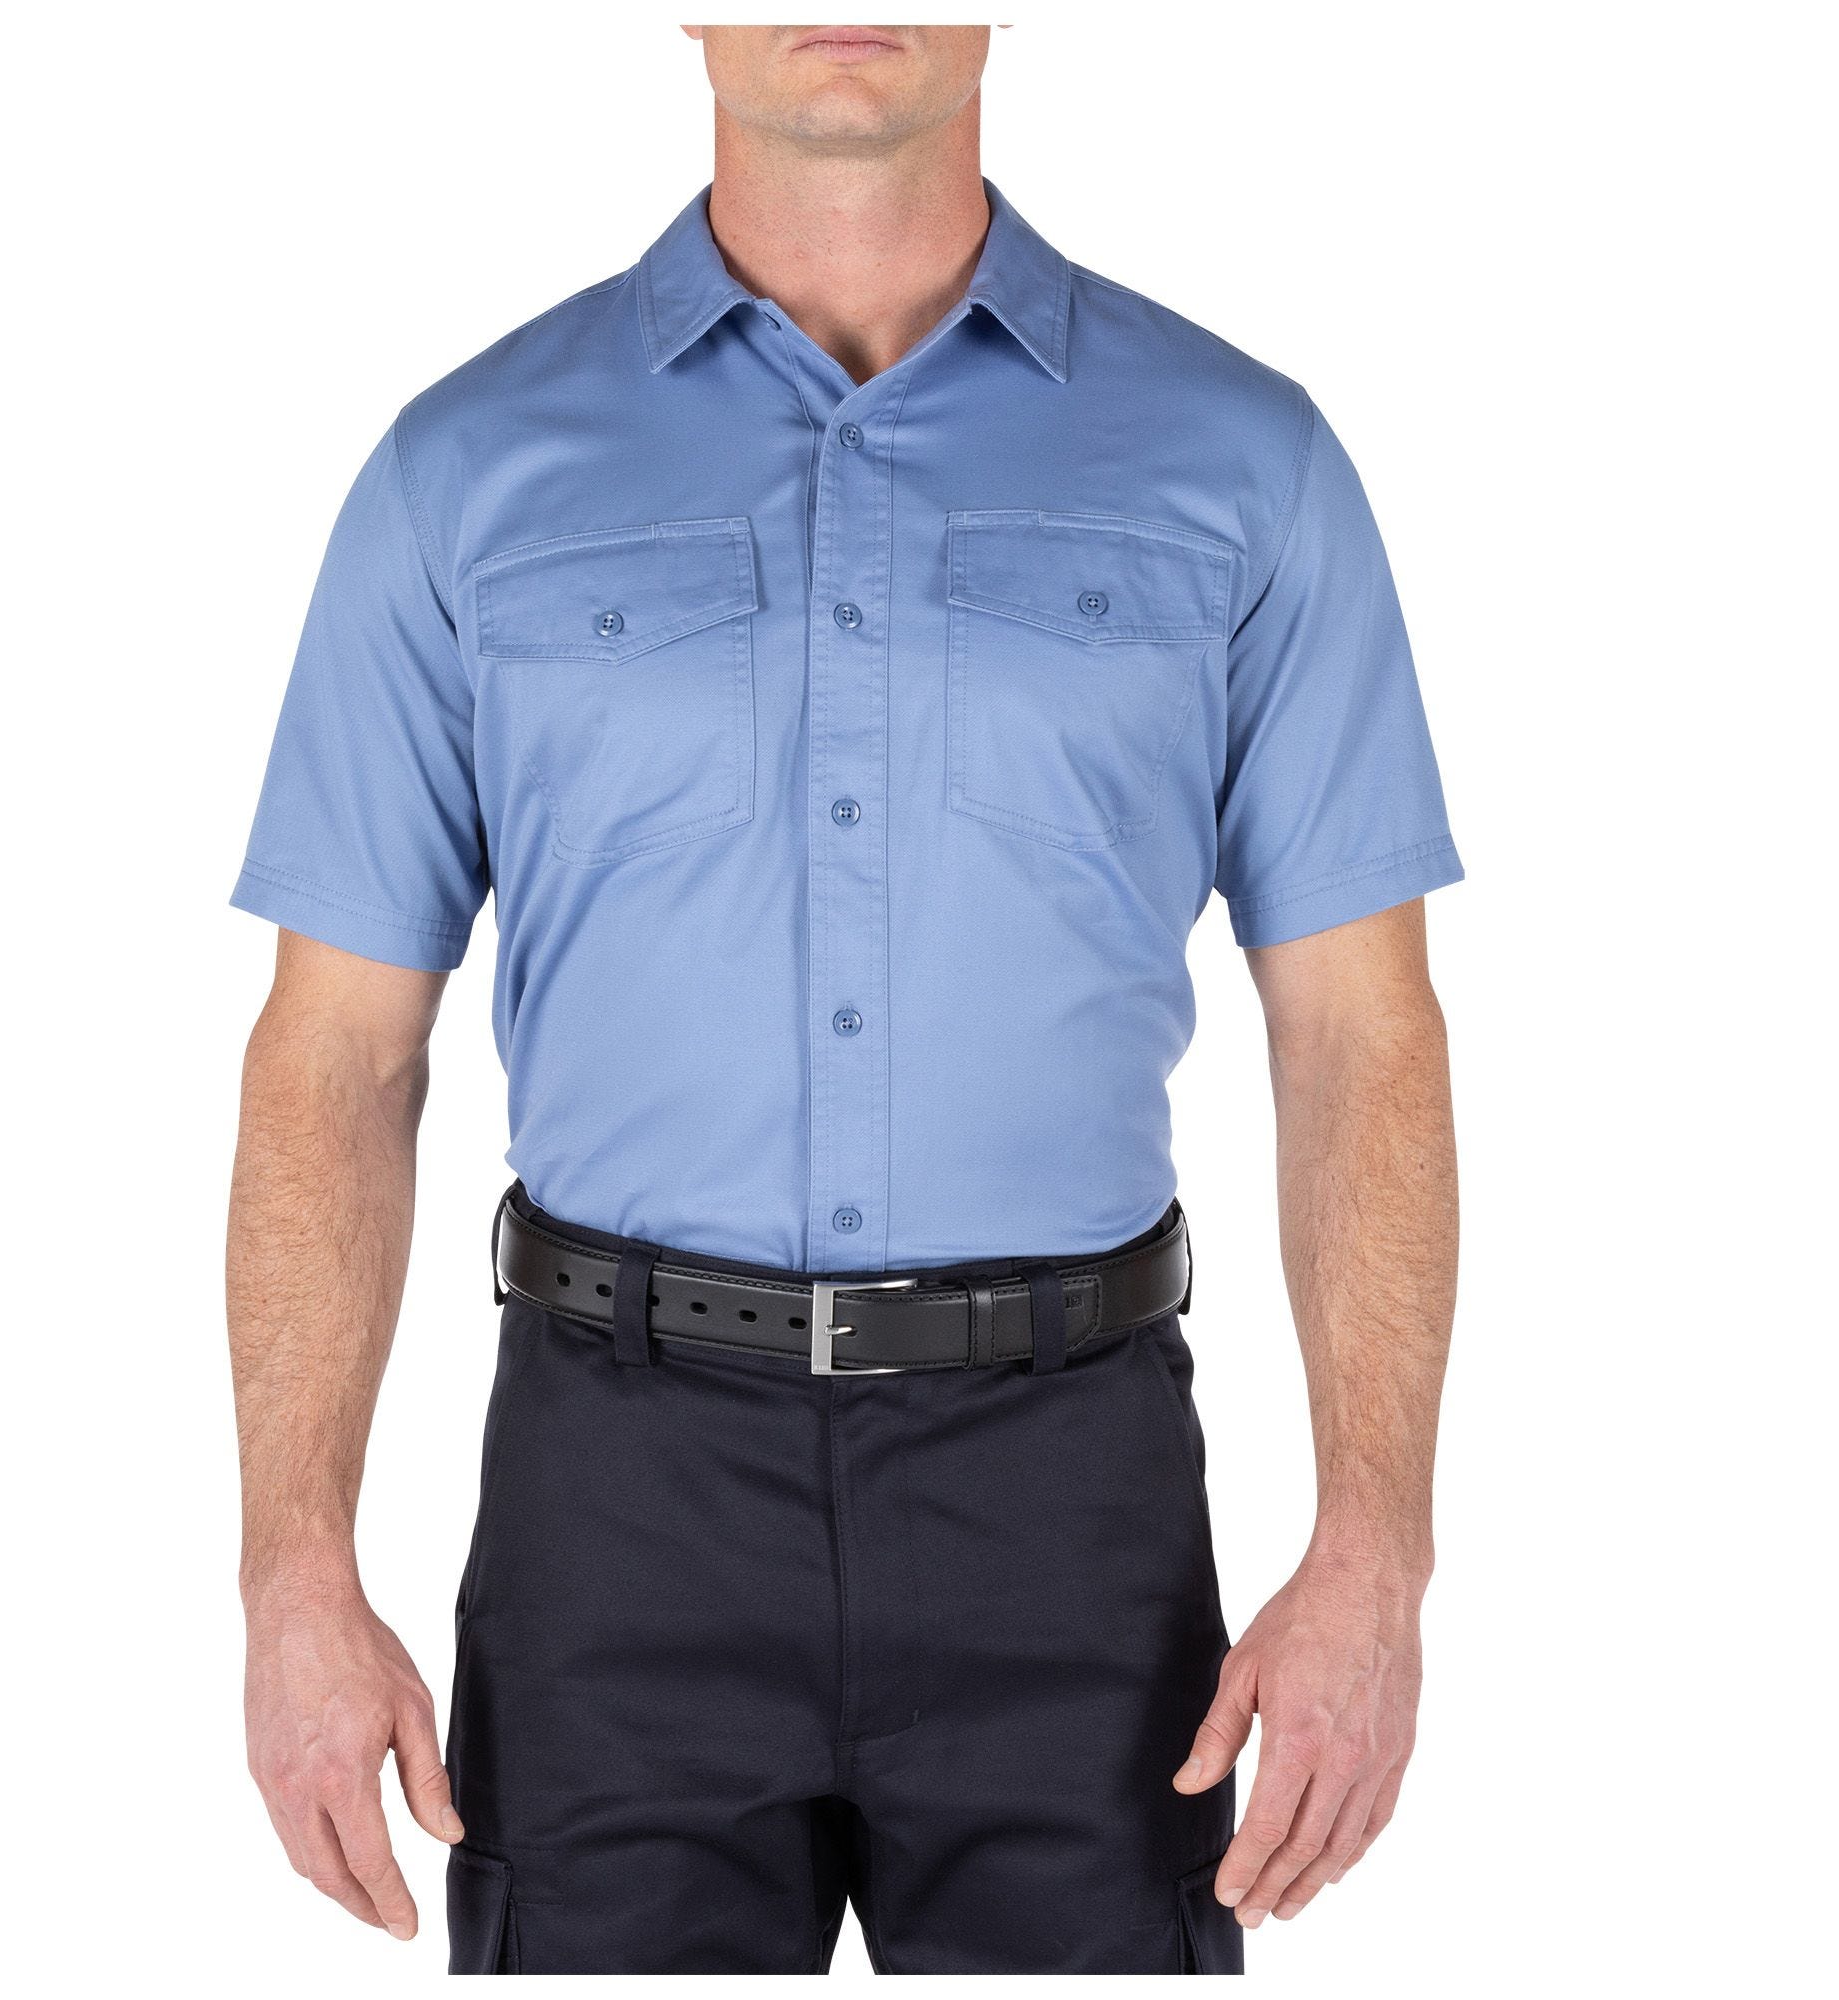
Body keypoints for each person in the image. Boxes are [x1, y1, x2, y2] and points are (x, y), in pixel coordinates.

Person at [226, 23, 1461, 1975]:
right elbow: (334, 1057)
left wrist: (1377, 1547)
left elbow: (1362, 1036)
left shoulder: (1246, 463)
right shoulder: (459, 474)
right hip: (616, 1503)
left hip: (1071, 1506)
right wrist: (291, 1560)